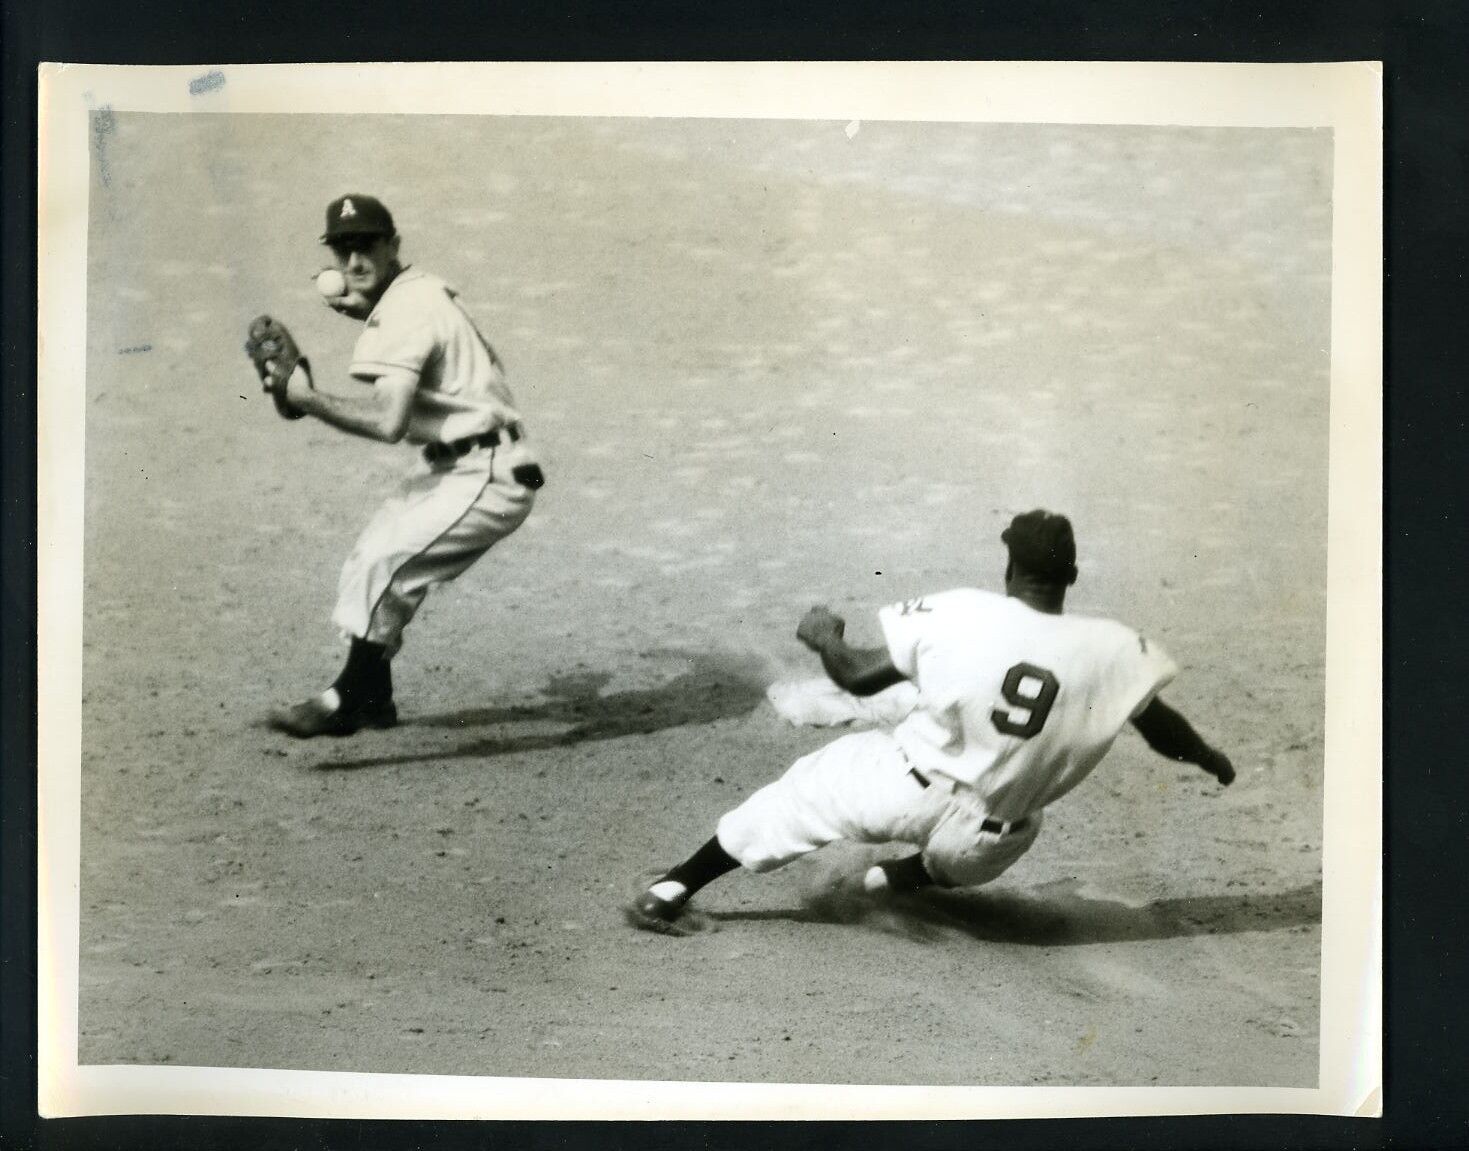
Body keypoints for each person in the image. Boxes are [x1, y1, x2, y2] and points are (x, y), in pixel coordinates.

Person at [628, 509, 1235, 932]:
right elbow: (1162, 728)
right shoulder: (1112, 648)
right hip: (989, 842)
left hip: (900, 791)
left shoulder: (961, 611)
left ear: (1009, 570)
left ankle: (672, 890)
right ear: (1072, 575)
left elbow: (859, 678)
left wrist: (825, 637)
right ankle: (879, 887)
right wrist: (1207, 757)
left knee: (798, 797)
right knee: (1008, 824)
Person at [266, 194, 544, 738]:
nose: (353, 263)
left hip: (486, 475)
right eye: (343, 250)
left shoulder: (402, 310)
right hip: (473, 463)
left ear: (393, 244)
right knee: (368, 555)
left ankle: (343, 700)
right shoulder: (419, 289)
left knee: (386, 564)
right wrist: (369, 312)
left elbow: (389, 422)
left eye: (366, 246)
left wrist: (307, 399)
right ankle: (375, 696)